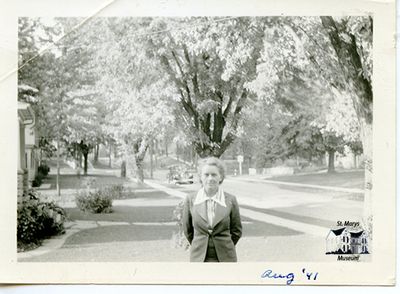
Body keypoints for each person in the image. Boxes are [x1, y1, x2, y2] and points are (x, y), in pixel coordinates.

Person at [182, 157, 242, 262]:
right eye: (206, 175)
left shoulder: (230, 200)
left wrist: (225, 246)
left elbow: (236, 231)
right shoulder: (191, 199)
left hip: (226, 258)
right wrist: (200, 245)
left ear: (221, 177)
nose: (210, 178)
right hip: (199, 258)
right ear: (200, 177)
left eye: (214, 175)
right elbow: (188, 230)